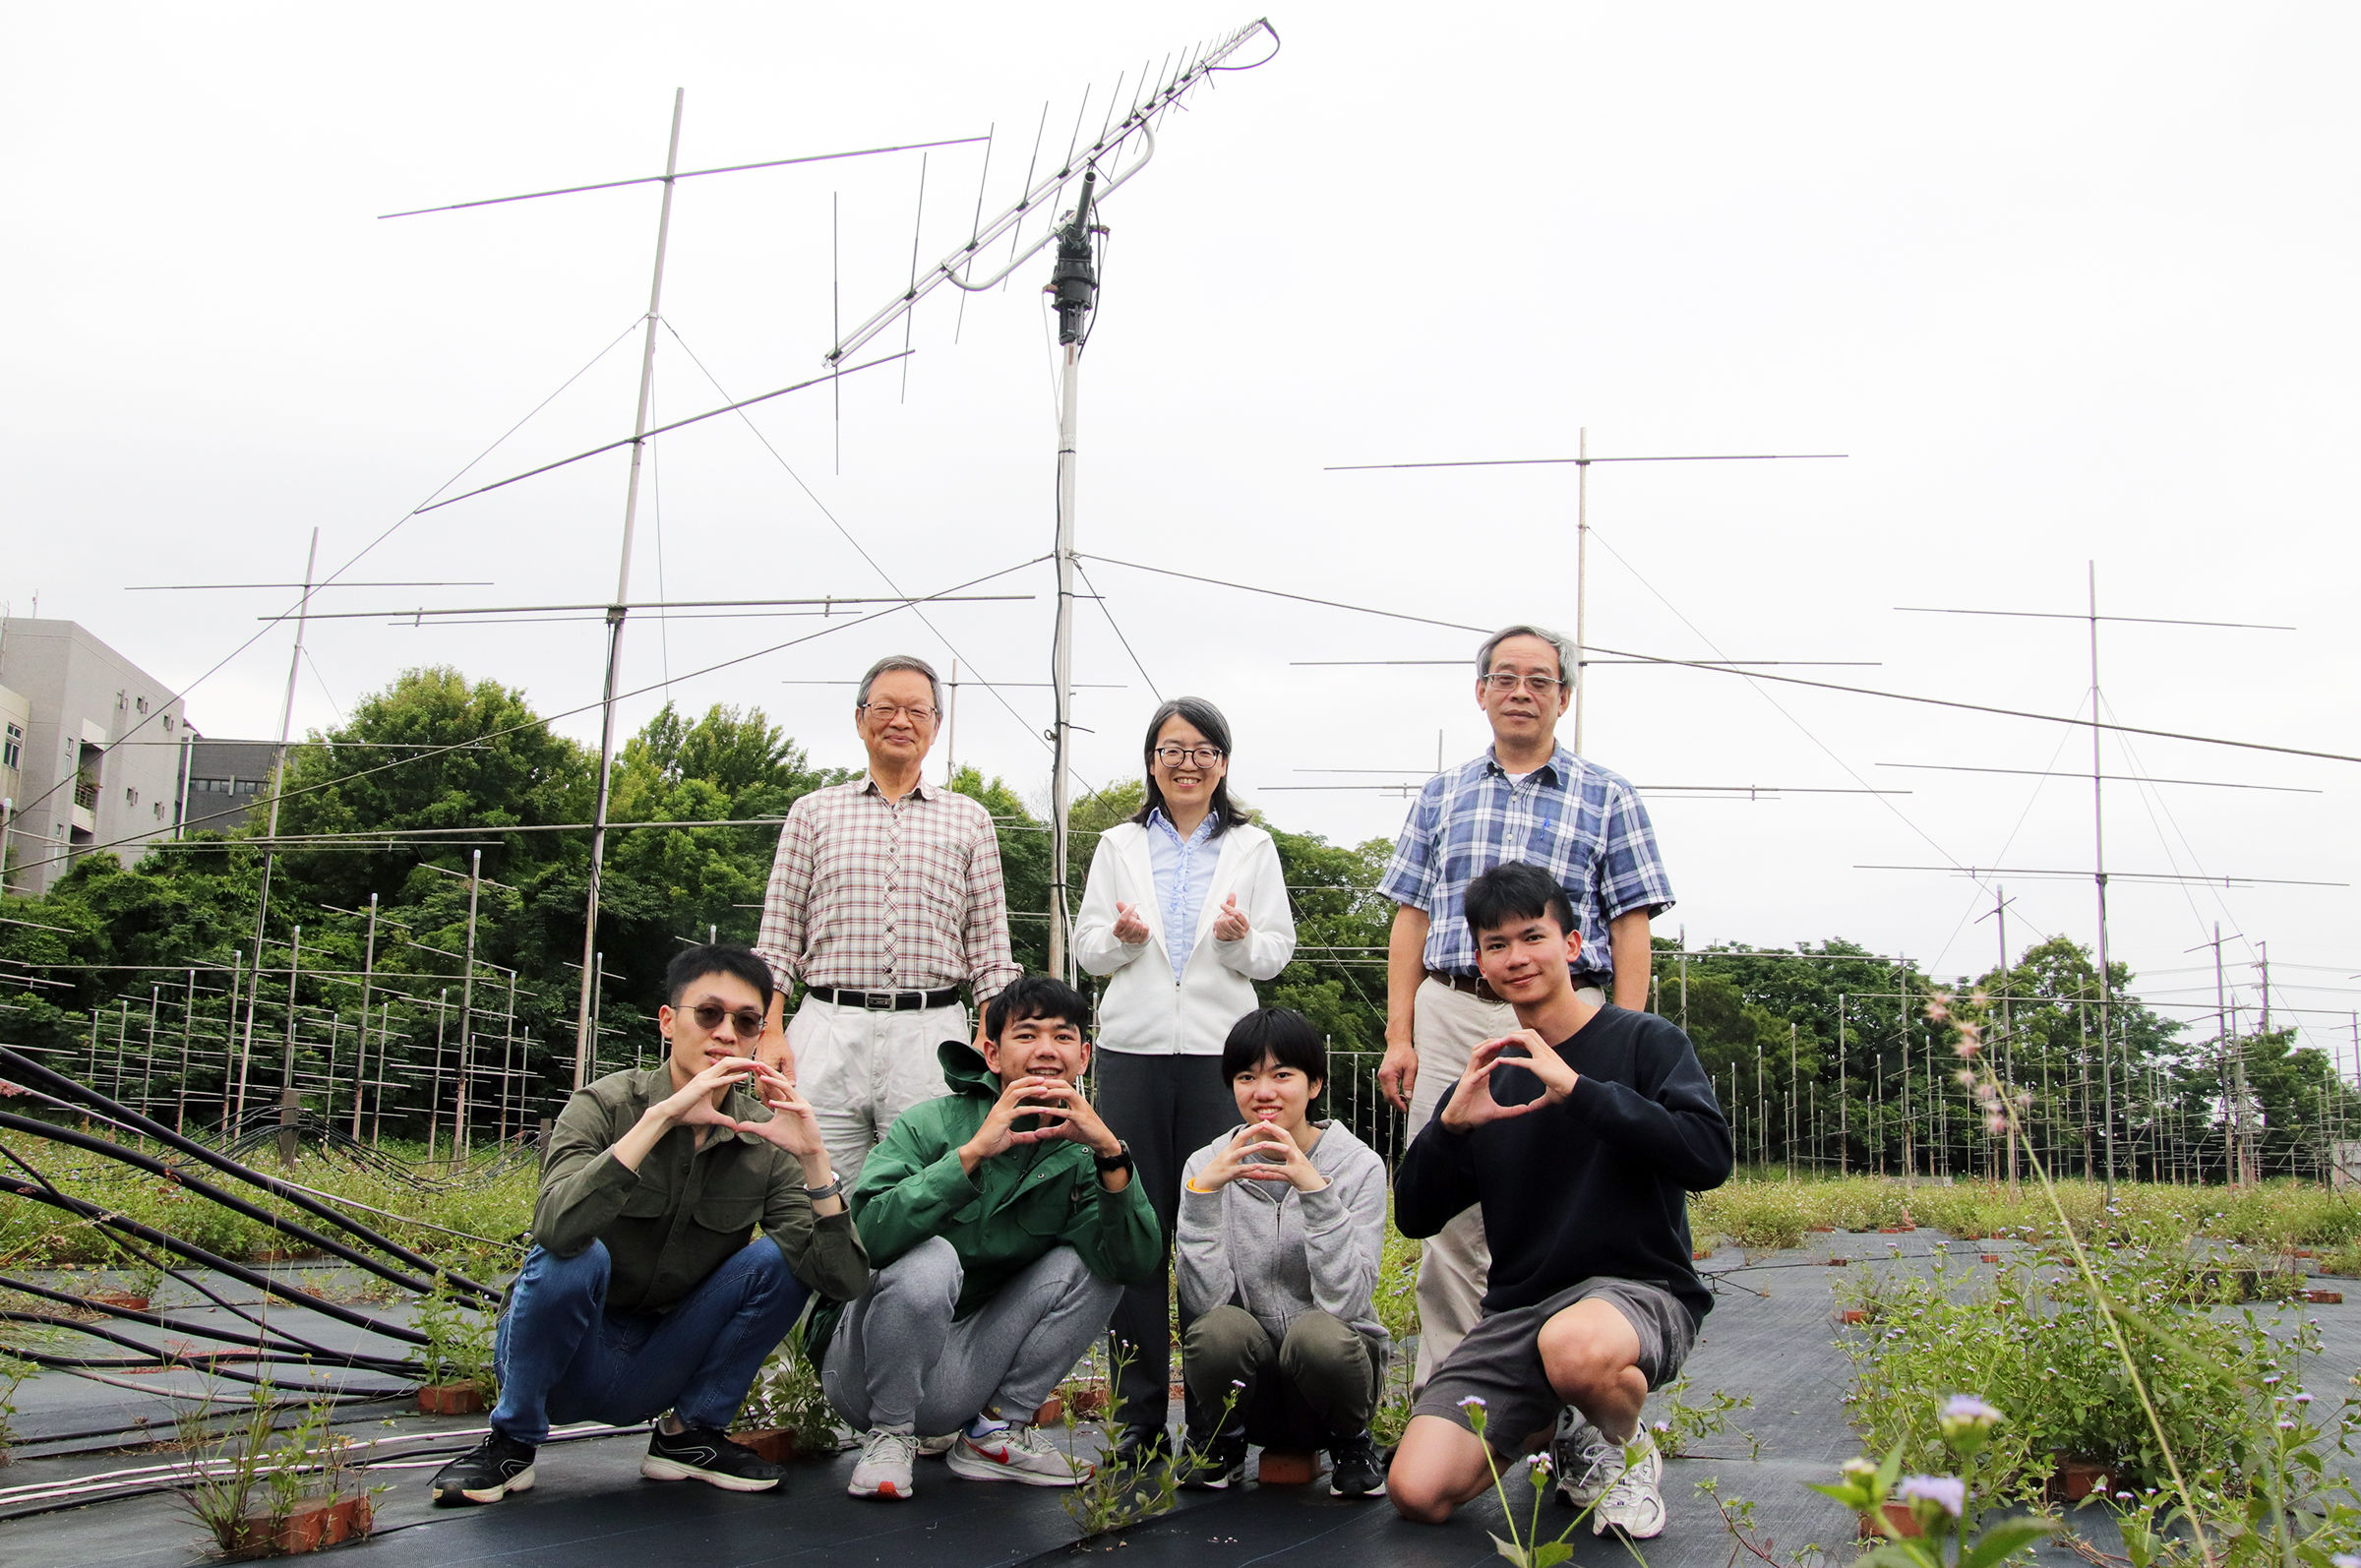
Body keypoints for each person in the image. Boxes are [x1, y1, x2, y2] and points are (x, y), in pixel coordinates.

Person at [430, 944, 868, 1506]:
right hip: (563, 1360)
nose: (725, 1034)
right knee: (579, 1252)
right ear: (668, 1021)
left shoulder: (767, 1136)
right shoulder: (606, 1105)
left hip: (665, 1357)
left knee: (783, 1256)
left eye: (746, 1021)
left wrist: (815, 1162)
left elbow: (843, 1283)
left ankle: (690, 1437)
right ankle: (511, 1442)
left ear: (759, 1034)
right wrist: (659, 1120)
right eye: (708, 1014)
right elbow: (556, 1231)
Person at [1374, 624, 1676, 1409]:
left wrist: (1623, 1041)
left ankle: (1565, 1409)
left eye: (1540, 681)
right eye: (1505, 678)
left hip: (1565, 1024)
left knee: (1571, 1200)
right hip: (1452, 1011)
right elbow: (1410, 915)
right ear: (1480, 693)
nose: (1520, 692)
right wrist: (1399, 1034)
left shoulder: (1608, 793)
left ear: (1563, 699)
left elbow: (1632, 921)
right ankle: (1449, 1398)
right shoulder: (1442, 795)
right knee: (1447, 1218)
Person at [1386, 863, 1730, 1538]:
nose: (1516, 957)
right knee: (1416, 1489)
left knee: (1574, 1346)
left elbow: (1707, 1157)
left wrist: (1580, 1091)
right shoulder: (1490, 1077)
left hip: (1638, 1292)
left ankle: (1623, 1446)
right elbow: (1415, 1215)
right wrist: (1451, 1129)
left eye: (1533, 936)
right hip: (1520, 1311)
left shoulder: (1644, 1042)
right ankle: (1554, 1415)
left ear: (1573, 946)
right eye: (1496, 945)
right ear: (1479, 964)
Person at [815, 975, 1161, 1501]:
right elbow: (864, 1239)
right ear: (992, 1053)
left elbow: (1134, 1264)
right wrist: (971, 1155)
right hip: (864, 1367)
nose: (1047, 1051)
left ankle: (994, 1432)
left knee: (1101, 1261)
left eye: (1063, 1037)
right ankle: (890, 1436)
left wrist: (1113, 1156)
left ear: (1084, 1056)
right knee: (929, 1257)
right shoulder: (929, 1123)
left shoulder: (1085, 1155)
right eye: (1027, 1035)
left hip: (960, 1372)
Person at [1072, 696, 1298, 1464]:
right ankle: (1138, 1426)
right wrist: (1122, 938)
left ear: (1224, 764)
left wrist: (1237, 942)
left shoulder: (1253, 847)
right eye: (1172, 749)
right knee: (1137, 1233)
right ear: (1151, 762)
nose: (1187, 762)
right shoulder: (1117, 842)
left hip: (1216, 1054)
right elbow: (1088, 947)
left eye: (1203, 750)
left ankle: (1216, 1422)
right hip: (1132, 1052)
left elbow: (1275, 953)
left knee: (1217, 1235)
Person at [754, 653, 1023, 1186]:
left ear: (936, 727)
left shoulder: (970, 819)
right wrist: (769, 1030)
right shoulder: (812, 811)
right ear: (860, 719)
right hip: (826, 1026)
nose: (901, 721)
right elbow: (779, 935)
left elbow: (991, 950)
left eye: (917, 711)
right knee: (814, 1188)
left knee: (925, 1186)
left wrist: (990, 1039)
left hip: (933, 1033)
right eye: (886, 708)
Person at [1174, 1008, 1389, 1498]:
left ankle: (1352, 1445)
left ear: (1314, 1084)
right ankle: (1222, 1443)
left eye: (1282, 1075)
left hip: (1334, 1385)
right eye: (1247, 1077)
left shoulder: (1358, 1166)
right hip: (1250, 1394)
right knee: (1217, 1330)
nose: (1263, 1092)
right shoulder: (1205, 1165)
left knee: (1318, 1335)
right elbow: (1205, 1304)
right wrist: (1203, 1201)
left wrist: (1316, 1194)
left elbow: (1350, 1302)